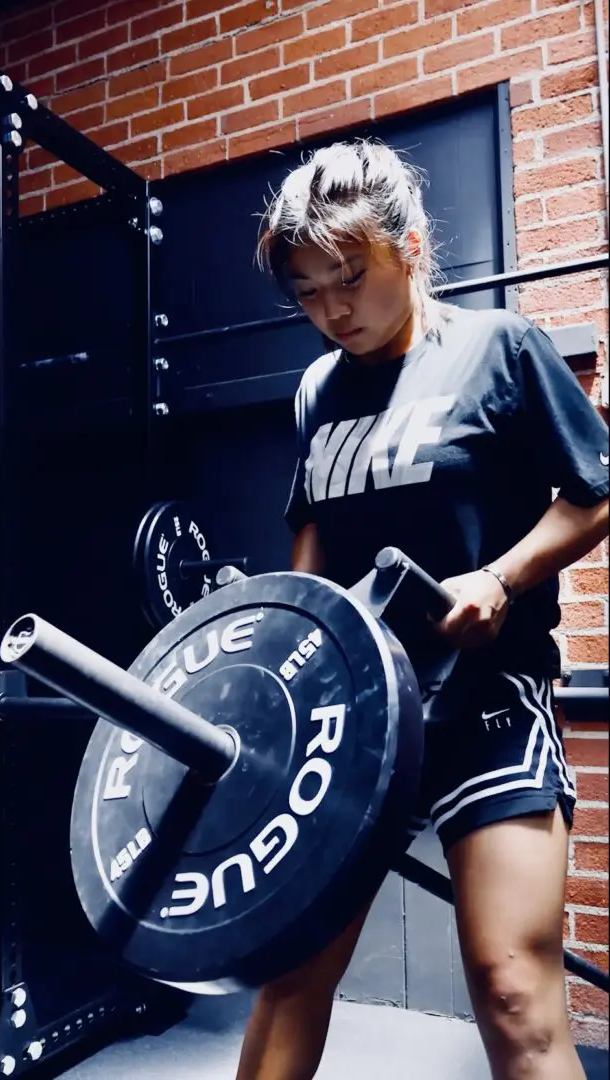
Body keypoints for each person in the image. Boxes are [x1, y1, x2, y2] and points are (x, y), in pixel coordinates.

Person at [235, 138, 610, 1080]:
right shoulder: (318, 389)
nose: (330, 311)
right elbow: (313, 537)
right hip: (360, 717)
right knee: (290, 972)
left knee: (514, 984)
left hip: (486, 698)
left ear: (409, 247)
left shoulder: (500, 349)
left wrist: (503, 576)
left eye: (348, 279)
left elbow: (595, 492)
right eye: (307, 292)